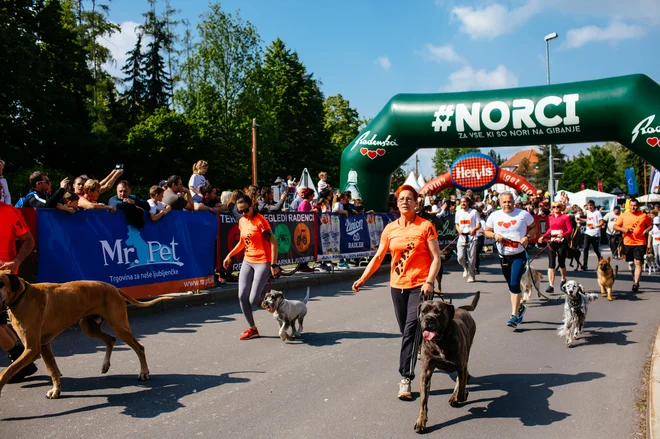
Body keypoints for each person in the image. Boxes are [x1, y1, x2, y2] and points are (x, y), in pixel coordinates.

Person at [351, 185, 441, 400]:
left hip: (420, 286)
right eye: (401, 199)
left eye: (409, 199)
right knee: (406, 331)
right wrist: (362, 278)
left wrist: (430, 281)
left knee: (410, 331)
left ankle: (405, 380)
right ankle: (430, 349)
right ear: (397, 203)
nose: (404, 202)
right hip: (397, 285)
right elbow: (379, 256)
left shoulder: (425, 226)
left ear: (416, 203)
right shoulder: (390, 229)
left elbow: (436, 258)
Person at [223, 195, 281, 340]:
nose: (243, 214)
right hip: (248, 261)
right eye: (240, 211)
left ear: (252, 205)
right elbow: (243, 242)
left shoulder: (261, 221)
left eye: (245, 210)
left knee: (253, 299)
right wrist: (230, 255)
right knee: (242, 296)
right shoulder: (242, 221)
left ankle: (279, 308)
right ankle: (252, 329)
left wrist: (273, 264)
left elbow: (274, 243)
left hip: (263, 261)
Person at [484, 192, 537, 328]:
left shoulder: (522, 214)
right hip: (503, 255)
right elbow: (487, 231)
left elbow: (534, 228)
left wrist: (528, 237)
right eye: (504, 202)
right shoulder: (494, 216)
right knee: (511, 285)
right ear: (500, 203)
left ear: (513, 202)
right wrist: (495, 235)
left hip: (519, 254)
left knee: (514, 283)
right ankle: (519, 308)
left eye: (509, 202)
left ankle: (514, 316)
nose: (507, 204)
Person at [0, 201, 38, 382]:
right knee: (1, 325)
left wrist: (15, 262)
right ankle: (23, 359)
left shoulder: (9, 212)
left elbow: (29, 241)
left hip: (3, 280)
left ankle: (21, 361)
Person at [614, 198, 653, 291]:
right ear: (629, 206)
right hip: (627, 242)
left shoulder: (643, 215)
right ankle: (634, 277)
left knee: (638, 262)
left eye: (635, 205)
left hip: (640, 242)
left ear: (638, 206)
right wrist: (623, 230)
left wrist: (646, 230)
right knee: (631, 263)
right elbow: (615, 226)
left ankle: (636, 283)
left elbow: (650, 225)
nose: (633, 207)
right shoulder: (623, 215)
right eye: (631, 205)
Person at [537, 201, 572, 293]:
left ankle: (563, 279)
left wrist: (563, 234)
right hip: (552, 242)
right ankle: (551, 285)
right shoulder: (550, 218)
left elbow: (570, 230)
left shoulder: (565, 217)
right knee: (551, 264)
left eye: (558, 207)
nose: (556, 208)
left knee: (561, 263)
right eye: (554, 207)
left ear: (561, 208)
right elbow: (550, 229)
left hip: (562, 242)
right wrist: (543, 236)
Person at [455, 196, 480, 283]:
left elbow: (478, 224)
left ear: (468, 202)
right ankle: (465, 267)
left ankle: (472, 275)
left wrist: (474, 229)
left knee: (472, 258)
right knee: (460, 257)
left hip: (472, 237)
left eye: (464, 202)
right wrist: (458, 230)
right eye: (461, 202)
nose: (463, 203)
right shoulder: (458, 212)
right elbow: (457, 224)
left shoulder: (474, 212)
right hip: (462, 238)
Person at [578, 200, 604, 270]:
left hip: (595, 234)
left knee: (596, 250)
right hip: (588, 232)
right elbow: (588, 220)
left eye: (591, 205)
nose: (589, 207)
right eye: (588, 205)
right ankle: (585, 264)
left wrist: (595, 226)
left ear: (593, 206)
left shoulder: (597, 213)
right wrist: (580, 219)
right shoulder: (588, 212)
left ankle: (601, 263)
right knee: (585, 248)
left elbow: (602, 222)